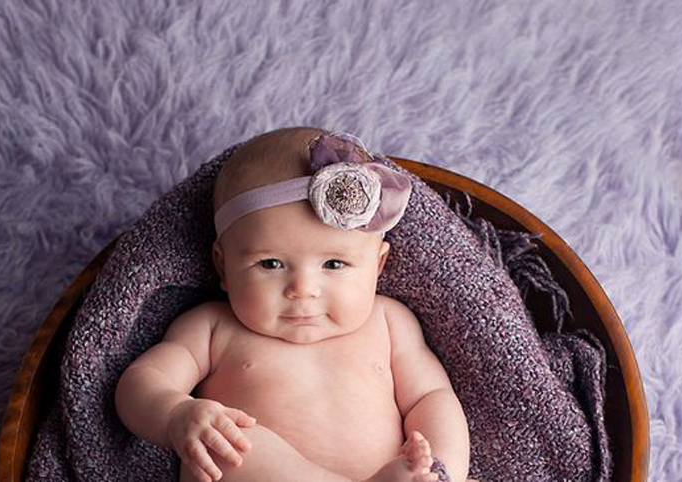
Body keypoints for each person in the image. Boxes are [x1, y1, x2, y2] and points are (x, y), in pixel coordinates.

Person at [115, 127, 472, 482]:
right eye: (270, 264)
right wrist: (177, 415)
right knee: (231, 447)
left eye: (334, 264)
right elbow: (141, 383)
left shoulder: (390, 323)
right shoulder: (211, 327)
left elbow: (431, 398)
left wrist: (443, 472)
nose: (303, 290)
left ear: (377, 266)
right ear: (223, 266)